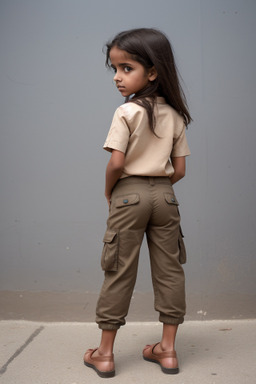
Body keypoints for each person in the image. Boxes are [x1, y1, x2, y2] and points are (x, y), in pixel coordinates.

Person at [84, 28, 192, 378]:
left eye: (126, 68)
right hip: (165, 195)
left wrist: (110, 191)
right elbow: (180, 170)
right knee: (170, 270)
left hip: (128, 194)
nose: (117, 77)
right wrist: (158, 187)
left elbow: (116, 163)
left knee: (118, 270)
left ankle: (104, 353)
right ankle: (168, 349)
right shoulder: (175, 115)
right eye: (114, 69)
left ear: (153, 71)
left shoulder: (127, 112)